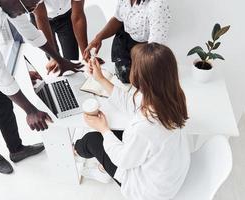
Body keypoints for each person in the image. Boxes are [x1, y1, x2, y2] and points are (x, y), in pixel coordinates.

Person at [0, 0, 82, 174]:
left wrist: (60, 60)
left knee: (2, 102)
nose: (32, 10)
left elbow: (31, 32)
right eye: (30, 5)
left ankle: (16, 150)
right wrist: (30, 110)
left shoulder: (10, 5)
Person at [75, 43, 190, 200]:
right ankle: (96, 159)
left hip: (150, 190)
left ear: (141, 77)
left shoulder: (144, 127)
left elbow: (123, 160)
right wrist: (100, 78)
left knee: (90, 139)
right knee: (111, 135)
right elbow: (131, 103)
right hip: (168, 172)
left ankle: (77, 150)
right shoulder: (171, 97)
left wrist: (103, 129)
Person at [83, 0, 171, 83]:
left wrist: (101, 79)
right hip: (125, 40)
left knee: (139, 79)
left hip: (146, 49)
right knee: (123, 74)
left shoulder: (157, 5)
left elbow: (155, 49)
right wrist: (98, 38)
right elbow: (118, 19)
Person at [31, 0, 88, 73]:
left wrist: (86, 55)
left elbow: (78, 17)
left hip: (66, 17)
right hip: (41, 20)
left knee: (71, 60)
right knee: (55, 62)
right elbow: (41, 18)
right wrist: (54, 57)